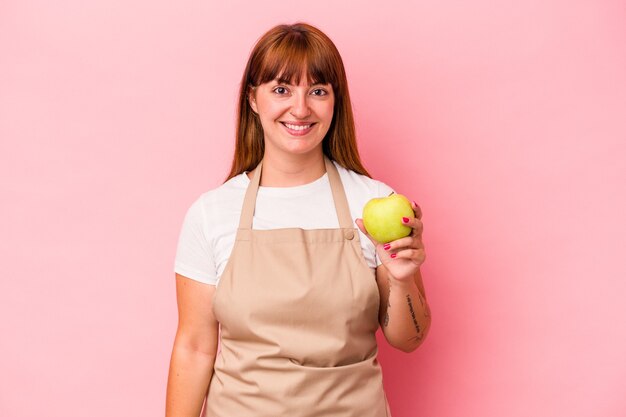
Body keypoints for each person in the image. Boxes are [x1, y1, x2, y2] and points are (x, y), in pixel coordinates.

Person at [165, 22, 431, 417]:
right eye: (282, 89)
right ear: (253, 99)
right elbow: (194, 347)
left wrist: (403, 277)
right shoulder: (211, 213)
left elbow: (409, 339)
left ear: (335, 101)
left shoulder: (374, 201)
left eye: (318, 91)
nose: (301, 108)